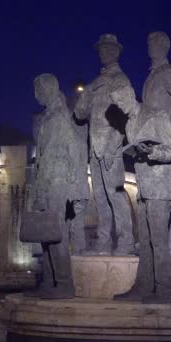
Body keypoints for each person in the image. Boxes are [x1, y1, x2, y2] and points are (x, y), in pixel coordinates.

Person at [74, 34, 134, 255]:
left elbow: (123, 116)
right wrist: (88, 91)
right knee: (100, 199)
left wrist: (112, 147)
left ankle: (126, 241)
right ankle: (103, 242)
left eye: (108, 49)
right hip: (95, 151)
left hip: (111, 151)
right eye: (100, 49)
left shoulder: (120, 79)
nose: (103, 52)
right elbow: (79, 114)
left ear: (116, 52)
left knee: (116, 196)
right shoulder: (96, 84)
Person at [111, 86, 171, 303]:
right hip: (143, 187)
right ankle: (144, 286)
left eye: (121, 101)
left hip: (161, 186)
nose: (121, 107)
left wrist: (154, 152)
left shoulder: (158, 116)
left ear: (130, 95)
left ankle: (164, 289)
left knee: (159, 240)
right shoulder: (129, 123)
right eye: (117, 105)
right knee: (144, 241)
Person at [25, 74, 81, 299]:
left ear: (47, 89)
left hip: (57, 182)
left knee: (56, 234)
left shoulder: (59, 116)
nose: (36, 94)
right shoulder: (49, 116)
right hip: (45, 182)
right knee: (45, 234)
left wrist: (73, 186)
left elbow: (74, 151)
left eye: (38, 89)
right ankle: (49, 282)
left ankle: (64, 284)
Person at [143, 31, 171, 116]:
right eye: (149, 44)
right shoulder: (151, 74)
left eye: (153, 43)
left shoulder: (168, 71)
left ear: (163, 47)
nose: (149, 47)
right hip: (149, 125)